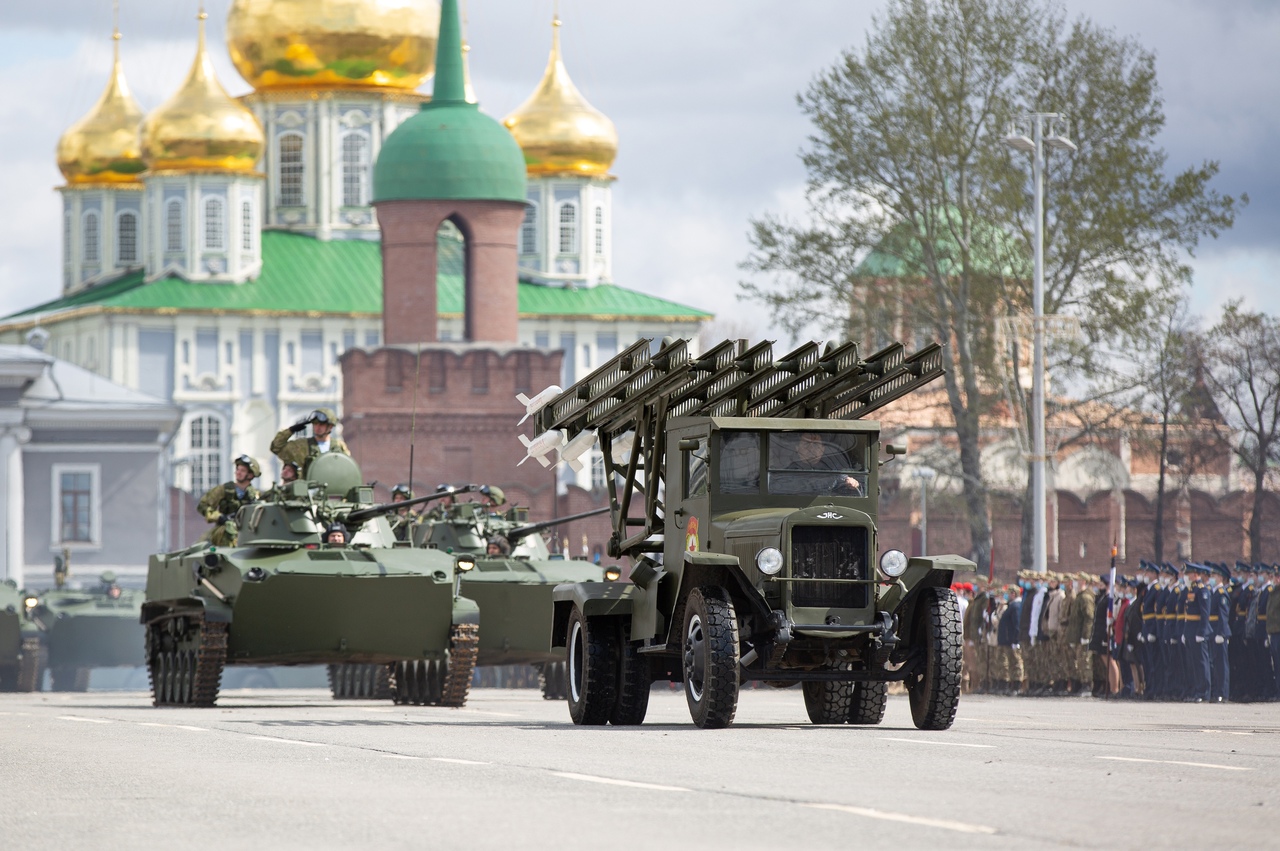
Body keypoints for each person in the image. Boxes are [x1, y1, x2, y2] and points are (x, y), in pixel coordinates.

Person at [196, 455, 260, 546]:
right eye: (238, 469)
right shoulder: (224, 490)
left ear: (250, 475)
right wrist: (219, 517)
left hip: (247, 532)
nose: (238, 473)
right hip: (224, 531)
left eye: (242, 471)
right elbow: (203, 505)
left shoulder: (255, 495)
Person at [774, 432, 865, 495]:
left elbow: (857, 494)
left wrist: (854, 485)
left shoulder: (835, 472)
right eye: (807, 444)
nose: (811, 448)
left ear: (822, 449)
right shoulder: (788, 473)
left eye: (816, 444)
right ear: (797, 448)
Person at [270, 407, 350, 476]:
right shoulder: (302, 446)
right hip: (308, 490)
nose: (317, 427)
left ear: (330, 427)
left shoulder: (338, 446)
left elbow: (348, 467)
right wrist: (291, 430)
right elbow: (276, 447)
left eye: (321, 425)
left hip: (334, 489)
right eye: (315, 424)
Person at [1209, 563, 1232, 703]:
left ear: (1221, 578)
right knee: (1215, 664)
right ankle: (1217, 691)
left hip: (1219, 632)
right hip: (1213, 632)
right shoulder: (1214, 592)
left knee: (1221, 665)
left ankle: (1223, 693)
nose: (1212, 578)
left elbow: (1223, 615)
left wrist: (1221, 633)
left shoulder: (1222, 593)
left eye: (1214, 576)